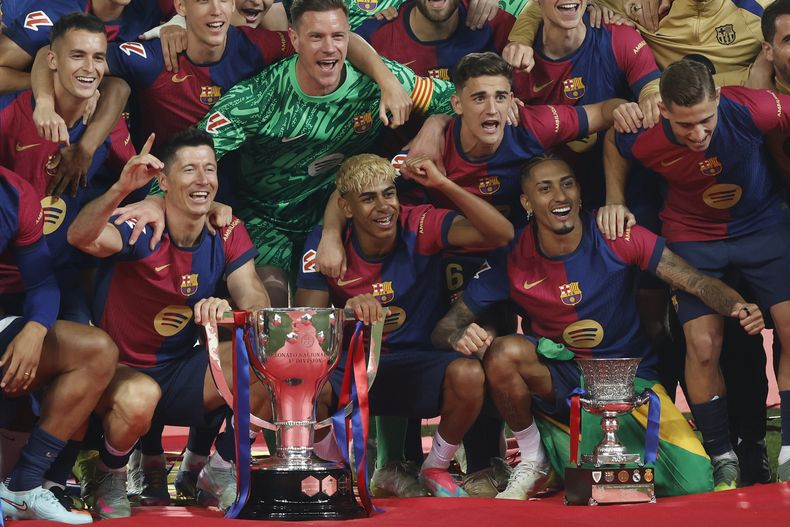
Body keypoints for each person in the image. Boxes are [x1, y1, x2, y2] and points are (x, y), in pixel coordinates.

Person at [431, 155, 764, 499]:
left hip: (630, 382)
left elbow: (693, 280)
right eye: (545, 189)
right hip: (561, 378)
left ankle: (574, 463)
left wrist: (737, 304)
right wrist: (459, 335)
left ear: (579, 190)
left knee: (695, 482)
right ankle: (534, 460)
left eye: (567, 184)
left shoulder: (617, 235)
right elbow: (444, 328)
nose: (560, 196)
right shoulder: (512, 255)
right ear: (527, 202)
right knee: (503, 353)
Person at [599, 58, 790, 488]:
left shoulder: (754, 108)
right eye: (685, 125)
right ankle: (722, 455)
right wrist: (614, 197)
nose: (698, 134)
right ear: (663, 110)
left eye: (706, 120)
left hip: (762, 225)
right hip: (693, 235)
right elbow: (613, 140)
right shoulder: (646, 133)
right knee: (702, 346)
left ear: (719, 98)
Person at [196, 0, 457, 308]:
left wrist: (433, 126)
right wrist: (156, 199)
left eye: (338, 36)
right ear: (294, 40)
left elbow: (452, 100)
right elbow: (195, 151)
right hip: (267, 223)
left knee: (341, 322)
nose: (329, 48)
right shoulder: (258, 97)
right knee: (272, 314)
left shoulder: (380, 83)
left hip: (342, 221)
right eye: (316, 37)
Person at [67, 128, 272, 518]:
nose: (202, 180)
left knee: (264, 361)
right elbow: (80, 237)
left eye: (209, 169)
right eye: (190, 170)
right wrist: (121, 189)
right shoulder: (141, 225)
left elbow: (255, 299)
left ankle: (220, 469)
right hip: (119, 375)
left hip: (178, 375)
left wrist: (225, 307)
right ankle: (108, 473)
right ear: (163, 181)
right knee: (141, 397)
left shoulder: (225, 229)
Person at [294, 153, 514, 497]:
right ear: (346, 207)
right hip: (358, 368)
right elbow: (307, 329)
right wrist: (348, 311)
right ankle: (332, 472)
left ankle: (436, 466)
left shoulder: (420, 223)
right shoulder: (326, 243)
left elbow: (501, 234)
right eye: (368, 198)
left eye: (389, 193)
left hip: (418, 361)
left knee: (469, 374)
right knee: (309, 384)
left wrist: (442, 183)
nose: (384, 206)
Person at [0, 165, 119, 524]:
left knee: (96, 350)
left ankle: (23, 486)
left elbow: (41, 283)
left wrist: (35, 330)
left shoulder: (15, 192)